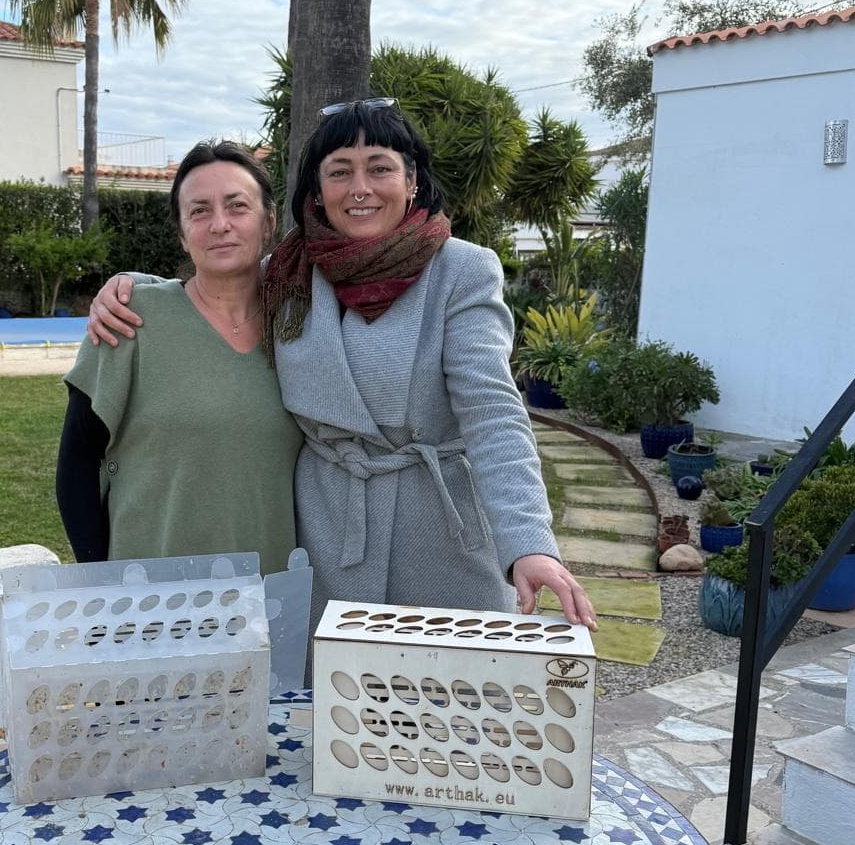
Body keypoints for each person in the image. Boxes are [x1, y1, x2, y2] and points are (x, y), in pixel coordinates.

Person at [88, 100, 595, 630]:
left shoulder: (461, 271)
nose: (360, 188)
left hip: (440, 534)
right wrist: (129, 287)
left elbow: (493, 414)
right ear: (316, 190)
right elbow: (211, 283)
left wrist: (529, 545)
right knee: (332, 699)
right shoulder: (286, 274)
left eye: (379, 168)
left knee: (446, 697)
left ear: (412, 180)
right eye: (339, 172)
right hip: (327, 533)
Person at [56, 140, 301, 572]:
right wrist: (98, 580)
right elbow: (77, 464)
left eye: (237, 206)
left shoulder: (302, 329)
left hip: (269, 601)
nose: (219, 224)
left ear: (269, 222)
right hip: (150, 605)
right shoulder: (130, 318)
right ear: (181, 234)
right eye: (199, 211)